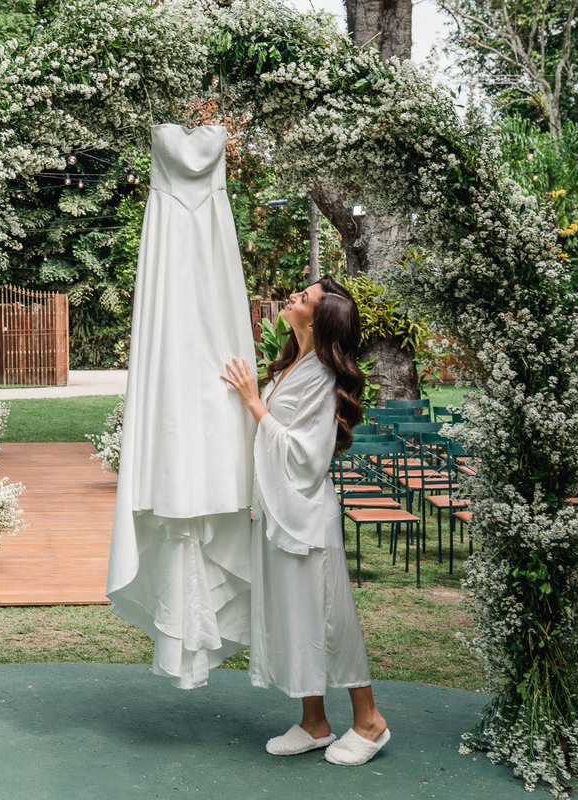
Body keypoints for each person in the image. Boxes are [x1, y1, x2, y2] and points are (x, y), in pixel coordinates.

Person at [220, 276, 389, 766]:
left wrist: (255, 404)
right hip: (278, 510)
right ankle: (314, 722)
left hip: (307, 512)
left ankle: (370, 721)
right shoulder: (292, 364)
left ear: (316, 319)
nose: (293, 298)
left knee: (331, 617)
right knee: (296, 616)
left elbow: (308, 455)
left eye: (304, 298)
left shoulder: (320, 375)